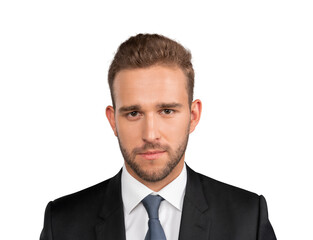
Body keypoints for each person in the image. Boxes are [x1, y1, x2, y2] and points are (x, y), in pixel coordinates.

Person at [40, 33, 277, 240]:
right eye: (134, 113)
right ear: (113, 120)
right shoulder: (61, 223)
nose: (150, 134)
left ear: (193, 116)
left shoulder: (248, 219)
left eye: (167, 111)